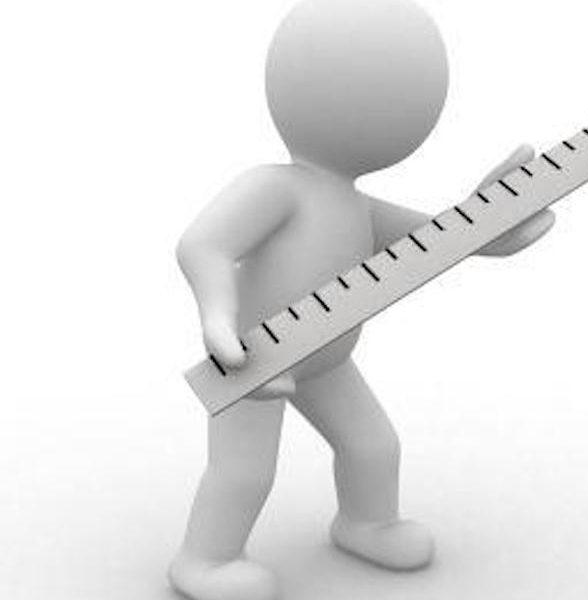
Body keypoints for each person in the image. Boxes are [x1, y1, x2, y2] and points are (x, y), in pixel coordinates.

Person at [170, 0, 555, 598]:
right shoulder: (276, 187)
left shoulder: (356, 206)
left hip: (326, 361)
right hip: (256, 363)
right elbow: (203, 246)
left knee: (374, 445)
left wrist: (486, 226)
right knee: (245, 471)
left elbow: (437, 240)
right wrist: (218, 322)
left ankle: (367, 523)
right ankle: (205, 559)